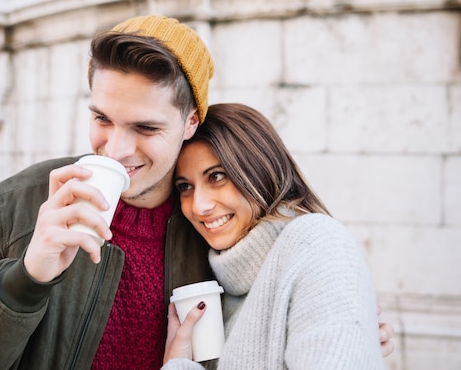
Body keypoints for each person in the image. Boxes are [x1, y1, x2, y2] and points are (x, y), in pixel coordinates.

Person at [0, 15, 393, 370]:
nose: (116, 148)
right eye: (102, 118)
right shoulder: (19, 204)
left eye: (145, 127)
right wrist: (28, 276)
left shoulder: (210, 225)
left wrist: (336, 326)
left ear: (190, 122)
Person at [163, 103, 389, 369]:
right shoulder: (219, 277)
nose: (198, 206)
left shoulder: (318, 244)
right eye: (185, 187)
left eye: (217, 176)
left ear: (260, 170)